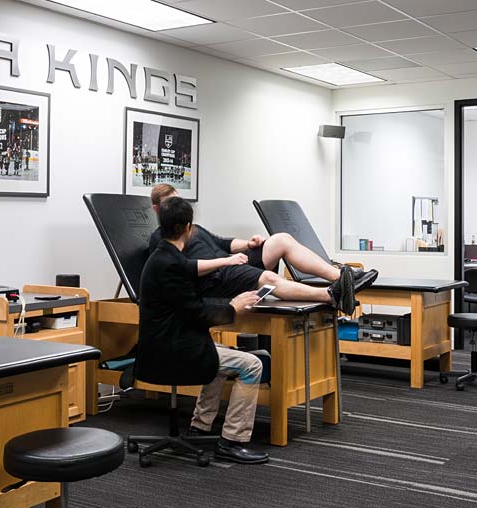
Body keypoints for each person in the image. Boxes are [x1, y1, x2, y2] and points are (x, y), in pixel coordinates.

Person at [137, 196, 268, 464]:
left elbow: (190, 269)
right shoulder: (172, 264)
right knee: (252, 365)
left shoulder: (163, 255)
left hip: (157, 347)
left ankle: (200, 427)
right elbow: (196, 314)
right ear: (188, 227)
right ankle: (233, 441)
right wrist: (233, 307)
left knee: (221, 355)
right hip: (174, 350)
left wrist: (226, 262)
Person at [147, 183, 376, 314]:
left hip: (231, 264)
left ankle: (344, 277)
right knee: (267, 278)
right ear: (157, 209)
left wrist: (249, 244)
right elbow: (184, 269)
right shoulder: (162, 239)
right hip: (215, 279)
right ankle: (331, 295)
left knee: (280, 240)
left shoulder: (193, 227)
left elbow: (223, 243)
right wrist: (225, 261)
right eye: (170, 204)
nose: (177, 208)